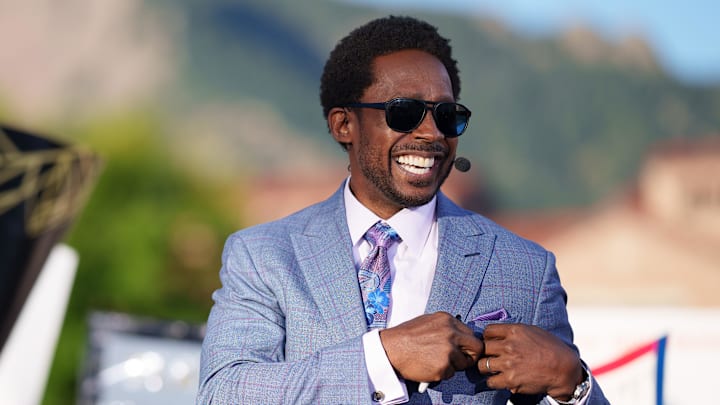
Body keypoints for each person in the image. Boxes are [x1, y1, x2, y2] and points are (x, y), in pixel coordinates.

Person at [198, 15, 609, 404]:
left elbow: (560, 385)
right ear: (344, 125)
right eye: (404, 112)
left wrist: (573, 385)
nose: (431, 133)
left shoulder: (525, 268)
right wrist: (383, 357)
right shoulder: (264, 255)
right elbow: (224, 392)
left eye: (447, 116)